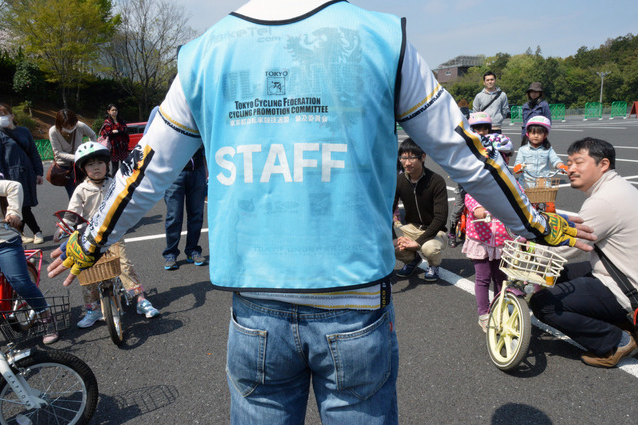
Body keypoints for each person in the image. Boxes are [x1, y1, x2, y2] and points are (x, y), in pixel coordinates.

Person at [48, 1, 595, 423]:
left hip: (255, 306)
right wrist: (536, 222)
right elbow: (466, 154)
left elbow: (145, 173)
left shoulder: (203, 53)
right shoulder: (382, 36)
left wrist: (89, 241)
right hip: (353, 304)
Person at [530, 137, 638, 368]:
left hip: (626, 286)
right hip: (624, 271)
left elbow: (568, 246)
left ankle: (617, 341)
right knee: (560, 274)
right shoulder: (618, 188)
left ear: (604, 164)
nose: (571, 169)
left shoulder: (605, 200)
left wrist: (530, 255)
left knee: (543, 303)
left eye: (579, 162)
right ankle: (621, 323)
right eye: (569, 163)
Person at [65, 142, 159, 327]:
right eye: (90, 165)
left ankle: (140, 299)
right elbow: (71, 213)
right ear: (84, 169)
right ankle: (92, 309)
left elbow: (128, 200)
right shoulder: (81, 189)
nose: (96, 167)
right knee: (86, 271)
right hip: (89, 237)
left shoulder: (115, 183)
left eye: (99, 163)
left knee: (123, 263)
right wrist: (63, 228)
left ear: (107, 164)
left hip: (113, 233)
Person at [462, 134, 515, 332]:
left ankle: (499, 308)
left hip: (503, 240)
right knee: (483, 278)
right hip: (481, 239)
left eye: (504, 156)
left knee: (501, 278)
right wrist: (482, 210)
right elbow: (472, 203)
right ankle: (483, 314)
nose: (500, 161)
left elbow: (521, 202)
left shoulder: (511, 183)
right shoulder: (475, 184)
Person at [144, 106, 207, 270]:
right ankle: (171, 253)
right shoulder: (160, 111)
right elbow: (147, 138)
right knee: (174, 216)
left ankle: (193, 250)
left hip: (198, 170)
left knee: (197, 215)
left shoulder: (199, 108)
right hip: (174, 173)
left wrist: (209, 171)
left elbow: (208, 139)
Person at [0, 175, 58, 344]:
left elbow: (14, 186)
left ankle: (47, 318)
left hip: (4, 242)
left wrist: (14, 212)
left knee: (20, 282)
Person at [394, 138, 448, 281]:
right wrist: (393, 237)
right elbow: (390, 209)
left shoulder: (436, 181)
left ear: (423, 157)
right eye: (403, 158)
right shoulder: (400, 181)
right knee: (388, 244)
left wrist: (418, 242)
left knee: (429, 249)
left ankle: (433, 264)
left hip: (435, 230)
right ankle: (412, 260)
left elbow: (440, 218)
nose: (406, 162)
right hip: (411, 227)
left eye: (411, 157)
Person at [0, 103, 45, 244]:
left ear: (11, 115)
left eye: (3, 114)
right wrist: (1, 177)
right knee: (22, 204)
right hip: (10, 175)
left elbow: (33, 152)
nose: (0, 118)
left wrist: (39, 172)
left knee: (25, 204)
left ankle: (19, 232)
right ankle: (37, 231)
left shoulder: (24, 131)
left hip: (27, 173)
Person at [448, 112, 493, 248]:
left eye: (484, 128)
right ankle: (451, 232)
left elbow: (494, 156)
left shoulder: (489, 143)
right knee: (459, 207)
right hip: (465, 182)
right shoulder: (464, 143)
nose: (481, 132)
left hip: (482, 181)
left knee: (489, 205)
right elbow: (455, 160)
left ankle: (489, 232)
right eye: (477, 129)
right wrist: (454, 171)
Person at [513, 116, 568, 212]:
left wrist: (562, 166)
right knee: (526, 209)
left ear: (545, 135)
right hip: (527, 183)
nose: (535, 136)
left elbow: (555, 160)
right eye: (533, 133)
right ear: (528, 134)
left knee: (550, 208)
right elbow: (518, 163)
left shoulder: (548, 149)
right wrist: (518, 168)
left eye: (539, 133)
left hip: (543, 182)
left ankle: (550, 224)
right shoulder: (523, 149)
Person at [49, 109, 98, 199]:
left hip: (80, 164)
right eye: (67, 126)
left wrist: (91, 149)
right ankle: (76, 211)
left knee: (89, 189)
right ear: (60, 124)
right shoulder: (53, 131)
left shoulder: (80, 125)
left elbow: (92, 135)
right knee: (74, 194)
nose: (71, 128)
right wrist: (76, 157)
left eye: (73, 125)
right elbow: (58, 152)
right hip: (65, 167)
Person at [100, 104, 129, 175]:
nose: (114, 111)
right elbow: (107, 133)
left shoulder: (121, 121)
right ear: (108, 111)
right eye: (112, 110)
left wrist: (116, 131)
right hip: (114, 148)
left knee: (125, 167)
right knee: (114, 168)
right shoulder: (107, 122)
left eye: (116, 110)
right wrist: (119, 132)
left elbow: (125, 131)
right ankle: (114, 183)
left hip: (123, 147)